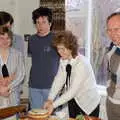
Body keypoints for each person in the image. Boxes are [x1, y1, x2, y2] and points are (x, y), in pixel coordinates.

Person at [44, 31, 100, 118]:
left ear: (71, 48)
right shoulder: (63, 60)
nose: (60, 52)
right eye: (58, 49)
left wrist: (53, 105)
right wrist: (50, 99)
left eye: (63, 49)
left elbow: (73, 91)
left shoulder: (82, 64)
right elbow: (58, 80)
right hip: (73, 100)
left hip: (88, 103)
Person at [28, 7, 59, 109]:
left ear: (50, 23)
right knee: (36, 115)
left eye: (43, 22)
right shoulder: (31, 39)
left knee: (52, 116)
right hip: (34, 85)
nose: (40, 25)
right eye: (37, 22)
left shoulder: (57, 39)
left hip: (52, 86)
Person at [0, 26, 25, 108]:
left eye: (7, 38)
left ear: (11, 40)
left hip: (12, 95)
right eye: (2, 38)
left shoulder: (18, 54)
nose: (5, 41)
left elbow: (21, 74)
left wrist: (8, 87)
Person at [105, 12, 120, 120]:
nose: (112, 34)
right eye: (109, 30)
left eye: (116, 29)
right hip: (111, 102)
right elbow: (110, 72)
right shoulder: (112, 47)